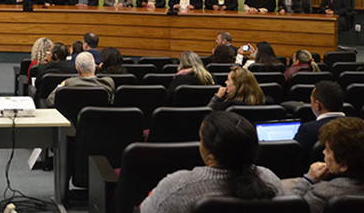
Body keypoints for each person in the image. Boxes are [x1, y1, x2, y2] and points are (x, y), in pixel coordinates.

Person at [140, 111, 282, 213]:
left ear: (211, 154)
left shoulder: (178, 186)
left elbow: (146, 209)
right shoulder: (270, 179)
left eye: (201, 140)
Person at [290, 117, 364, 213]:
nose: (324, 152)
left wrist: (308, 179)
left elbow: (290, 207)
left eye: (328, 151)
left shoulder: (323, 193)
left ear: (343, 166)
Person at [293, 81, 346, 168]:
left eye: (311, 101)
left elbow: (295, 161)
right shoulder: (359, 126)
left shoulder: (307, 131)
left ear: (318, 105)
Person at [47, 52, 115, 106]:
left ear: (77, 69)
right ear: (94, 66)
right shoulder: (108, 82)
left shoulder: (69, 84)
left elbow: (50, 101)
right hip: (100, 122)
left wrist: (60, 86)